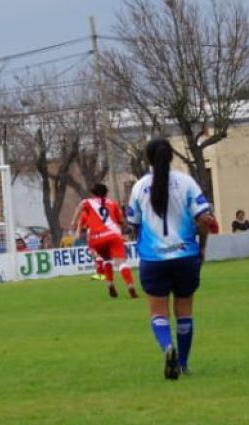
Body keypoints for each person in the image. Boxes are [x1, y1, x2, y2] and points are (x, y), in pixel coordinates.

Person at [126, 138, 215, 379]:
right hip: (185, 256)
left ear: (148, 159)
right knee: (184, 310)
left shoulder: (139, 187)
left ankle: (168, 347)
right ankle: (183, 363)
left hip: (153, 259)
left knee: (158, 312)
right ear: (171, 156)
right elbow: (203, 220)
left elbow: (133, 225)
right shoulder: (186, 183)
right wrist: (202, 249)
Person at [70, 183, 138, 298]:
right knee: (121, 262)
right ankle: (130, 286)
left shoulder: (88, 202)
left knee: (106, 259)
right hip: (113, 235)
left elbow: (80, 205)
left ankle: (110, 284)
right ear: (106, 193)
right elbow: (121, 221)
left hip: (96, 238)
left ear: (93, 193)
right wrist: (124, 229)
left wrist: (73, 222)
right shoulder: (112, 203)